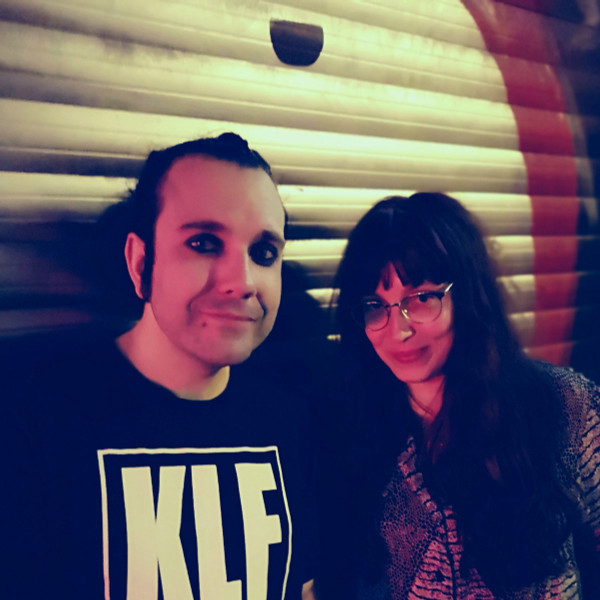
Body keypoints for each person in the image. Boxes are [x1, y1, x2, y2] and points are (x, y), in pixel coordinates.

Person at [4, 133, 316, 599]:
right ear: (139, 263)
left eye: (263, 253)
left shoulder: (291, 420)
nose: (243, 281)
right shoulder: (36, 421)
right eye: (204, 243)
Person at [316, 193, 600, 599]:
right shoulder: (350, 434)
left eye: (422, 298)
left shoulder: (562, 405)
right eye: (376, 305)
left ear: (467, 295)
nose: (398, 330)